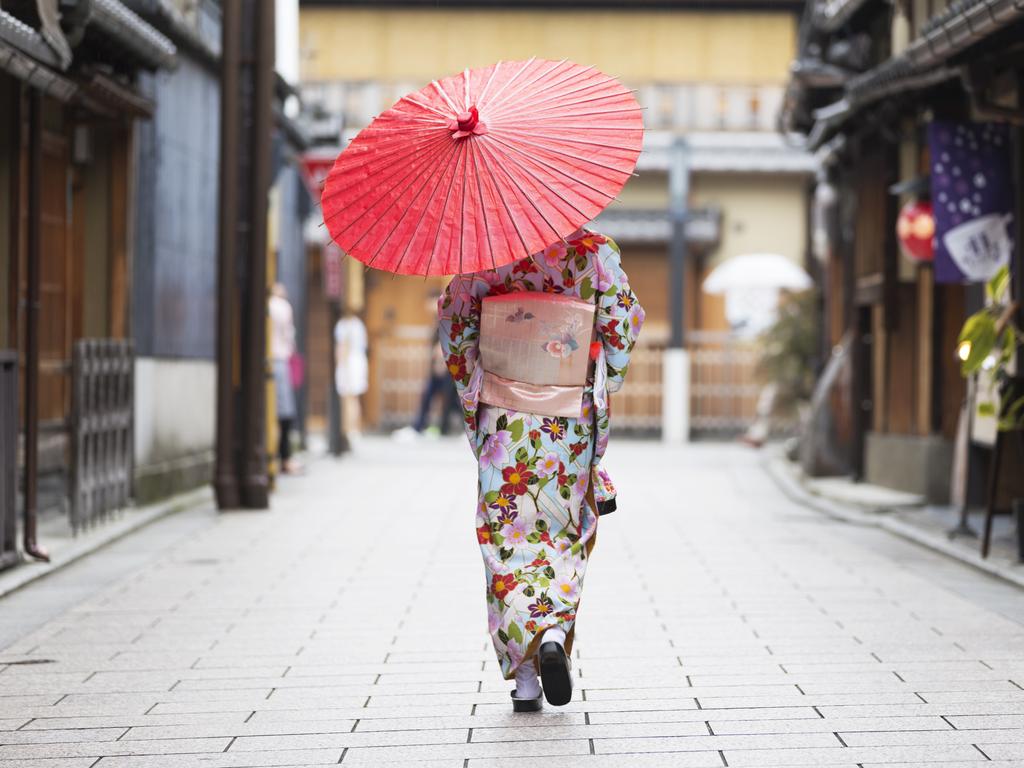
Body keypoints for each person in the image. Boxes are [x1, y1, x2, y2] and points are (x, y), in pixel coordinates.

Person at [438, 229, 643, 711]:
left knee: (506, 536)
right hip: (567, 419)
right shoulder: (595, 251)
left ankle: (526, 679)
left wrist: (481, 379)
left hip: (505, 420)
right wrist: (596, 381)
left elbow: (453, 326)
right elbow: (623, 325)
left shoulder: (483, 252)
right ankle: (552, 628)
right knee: (561, 530)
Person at [393, 292, 461, 441]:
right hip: (443, 367)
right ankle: (423, 427)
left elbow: (444, 342)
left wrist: (440, 363)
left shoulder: (444, 318)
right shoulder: (438, 318)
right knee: (439, 397)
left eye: (429, 302)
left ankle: (426, 428)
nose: (427, 306)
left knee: (450, 399)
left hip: (445, 366)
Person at [269, 283, 302, 474]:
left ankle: (275, 456)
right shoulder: (282, 306)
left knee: (272, 412)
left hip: (265, 360)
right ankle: (285, 458)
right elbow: (289, 335)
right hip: (280, 360)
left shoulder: (267, 304)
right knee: (285, 412)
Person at [334, 306, 369, 443]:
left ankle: (348, 429)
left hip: (349, 362)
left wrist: (340, 365)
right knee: (354, 398)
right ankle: (355, 429)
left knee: (347, 398)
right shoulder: (358, 324)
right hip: (359, 361)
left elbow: (342, 347)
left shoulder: (343, 325)